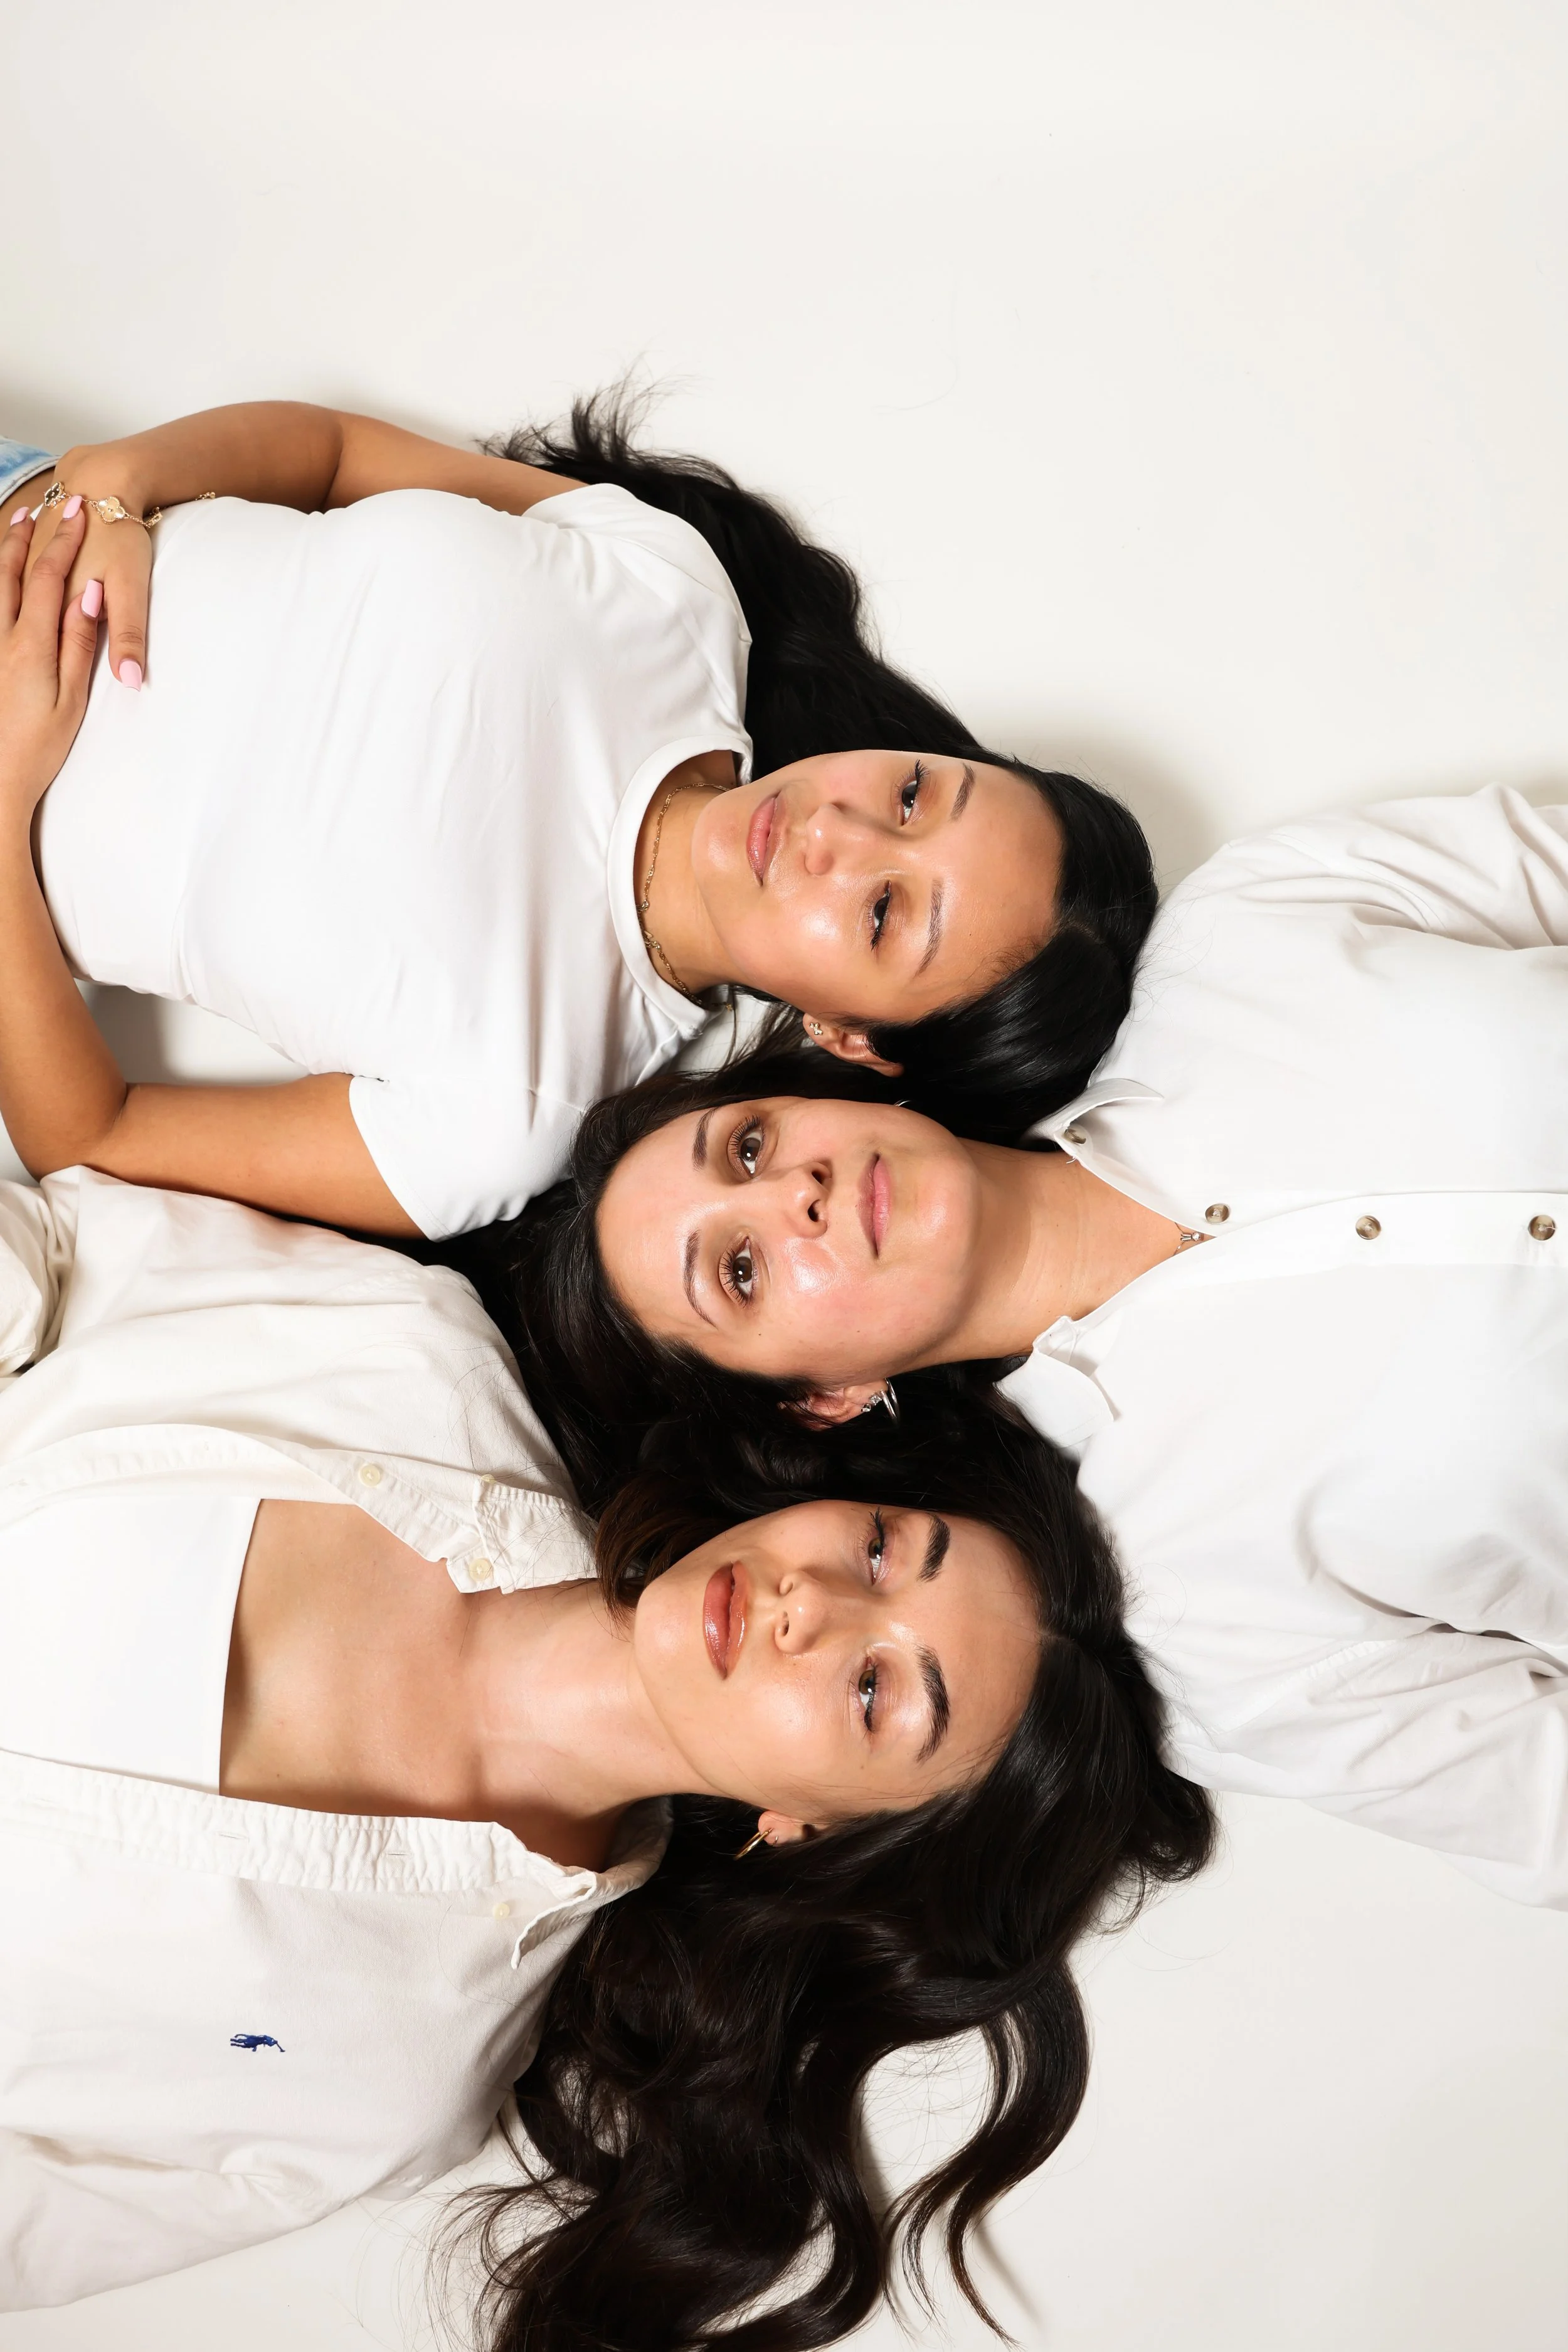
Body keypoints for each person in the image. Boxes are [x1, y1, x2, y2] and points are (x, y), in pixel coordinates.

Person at [0, 549, 1213, 2333]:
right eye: (881, 1551)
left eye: (879, 1693)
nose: (814, 1608)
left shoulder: (390, 2065)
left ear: (807, 1827)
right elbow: (61, 1219)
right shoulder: (405, 1354)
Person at [506, 784, 1568, 1909]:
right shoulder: (1201, 1624)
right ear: (818, 1398)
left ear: (834, 1077)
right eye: (741, 1270)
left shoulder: (1247, 927)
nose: (793, 1194)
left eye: (750, 1144)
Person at [0, 398, 1150, 1239]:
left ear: (850, 1038)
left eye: (887, 912)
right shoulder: (678, 592)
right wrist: (111, 484)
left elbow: (88, 1137)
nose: (837, 836)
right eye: (913, 793)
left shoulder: (508, 1108)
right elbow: (336, 452)